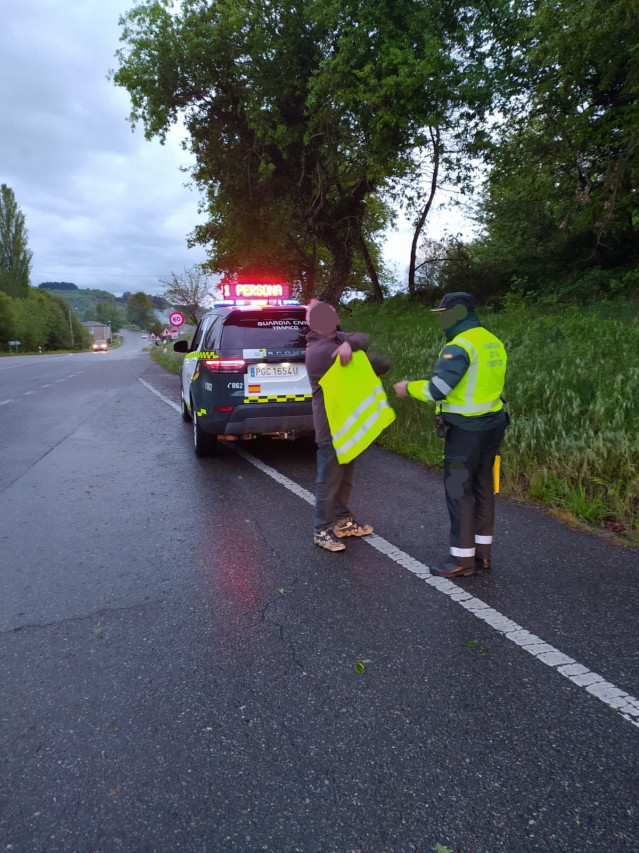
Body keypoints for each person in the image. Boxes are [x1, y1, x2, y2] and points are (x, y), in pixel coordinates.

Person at [393, 292, 508, 578]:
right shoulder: (492, 341)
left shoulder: (458, 347)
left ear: (458, 313)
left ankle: (460, 560)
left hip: (466, 430)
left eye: (444, 313)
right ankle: (482, 555)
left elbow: (437, 390)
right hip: (493, 426)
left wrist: (408, 387)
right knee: (483, 486)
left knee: (459, 491)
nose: (440, 318)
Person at [305, 300, 389, 552]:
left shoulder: (338, 339)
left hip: (347, 426)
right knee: (328, 481)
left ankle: (343, 522)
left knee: (344, 480)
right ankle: (321, 530)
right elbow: (380, 363)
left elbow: (363, 337)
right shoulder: (320, 351)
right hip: (331, 427)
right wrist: (352, 347)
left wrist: (349, 343)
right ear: (313, 324)